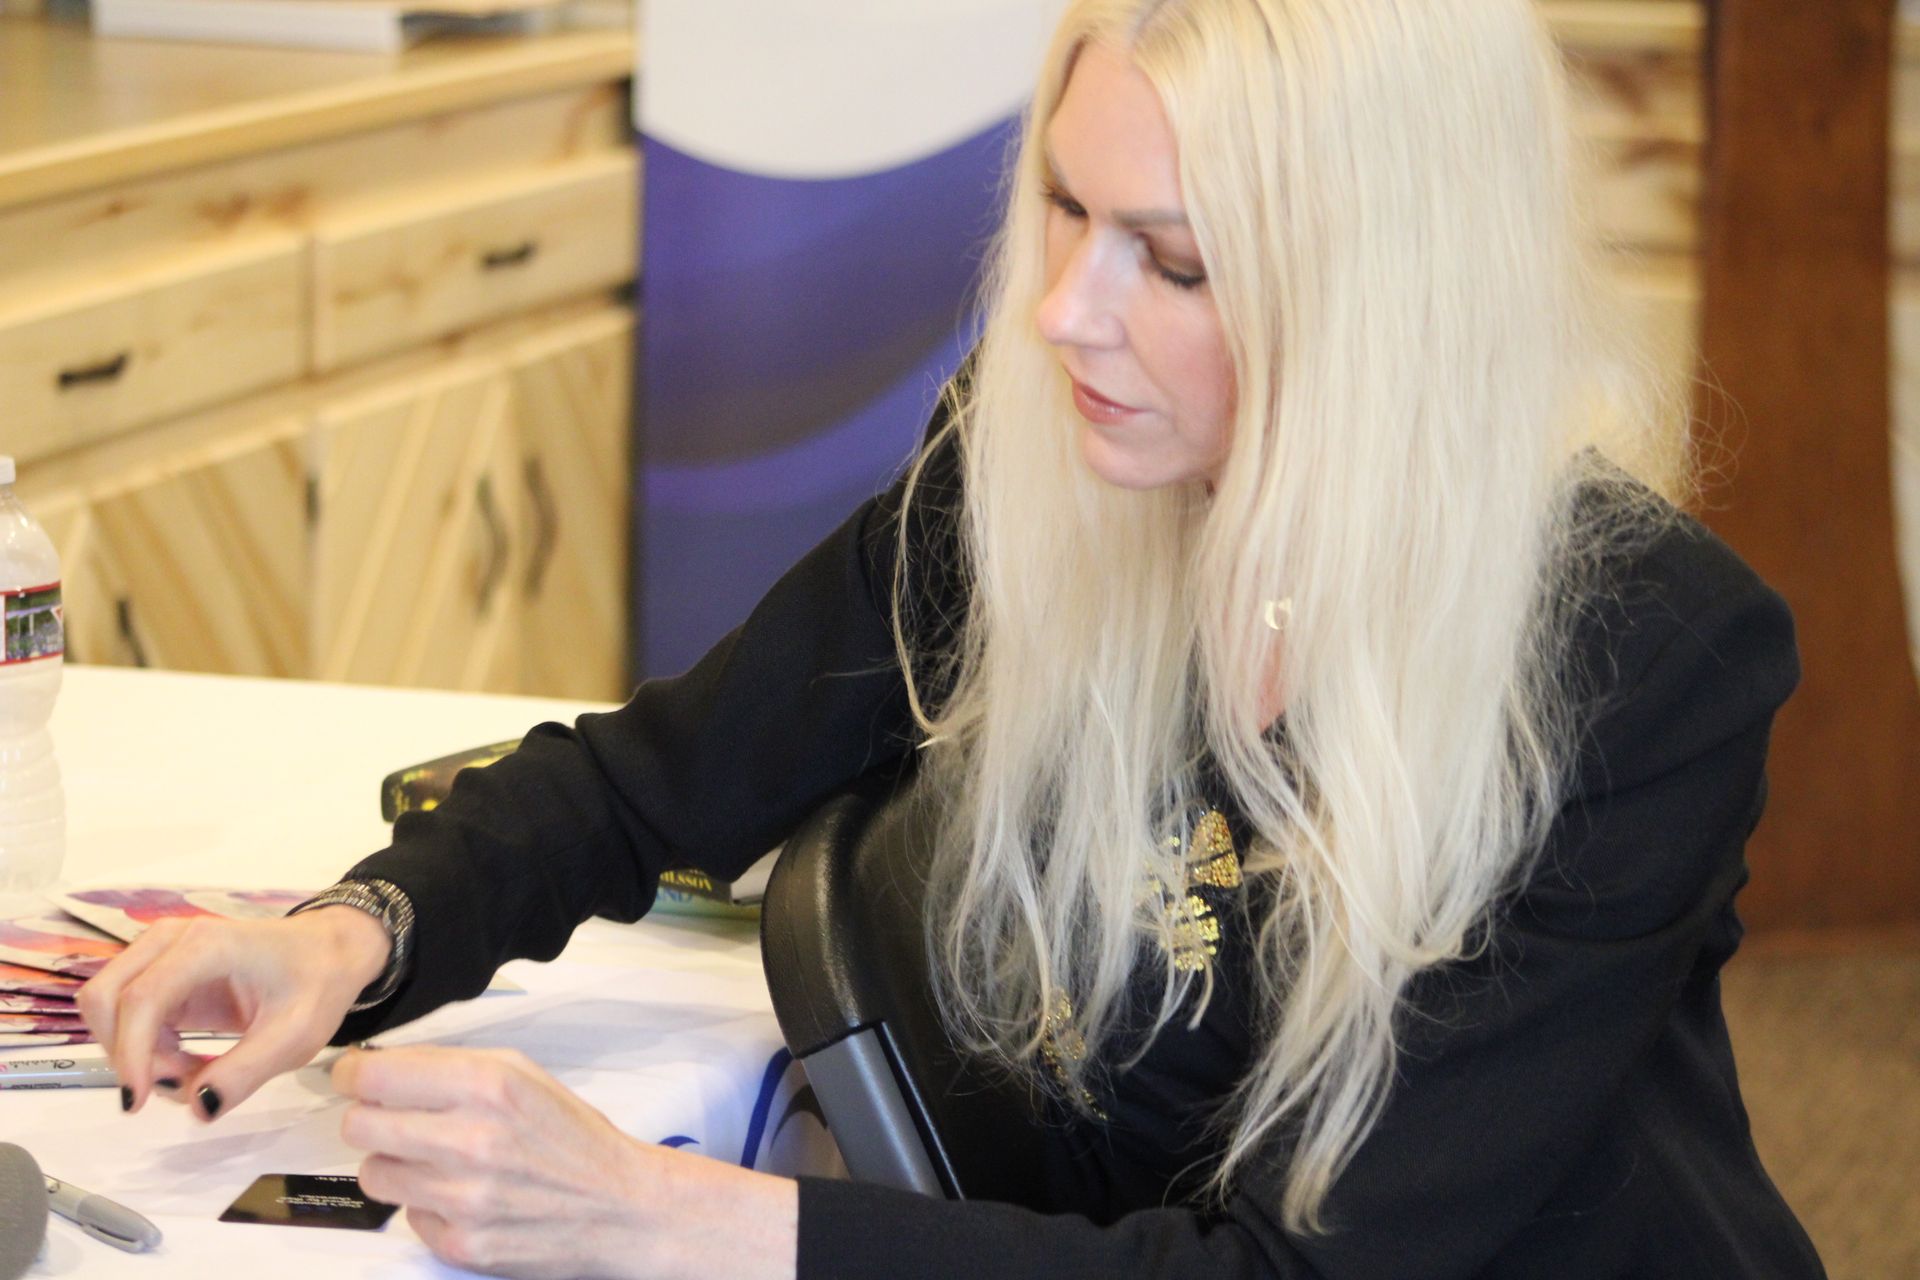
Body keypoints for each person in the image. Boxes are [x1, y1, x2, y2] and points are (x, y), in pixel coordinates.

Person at [78, 1, 1826, 1276]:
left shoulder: (1641, 665)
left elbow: (1307, 1275)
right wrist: (352, 935)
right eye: (1064, 209)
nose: (1066, 313)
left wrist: (658, 1212)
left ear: (1385, 301)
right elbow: (650, 782)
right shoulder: (1047, 474)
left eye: (1174, 264)